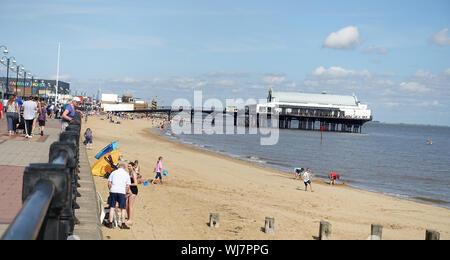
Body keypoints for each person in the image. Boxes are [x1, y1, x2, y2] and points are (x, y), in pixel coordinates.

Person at [106, 164, 131, 229]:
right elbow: (128, 186)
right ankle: (123, 224)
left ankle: (110, 223)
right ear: (124, 168)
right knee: (123, 208)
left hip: (113, 190)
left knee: (112, 207)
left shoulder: (113, 172)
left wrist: (110, 189)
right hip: (122, 192)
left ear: (118, 167)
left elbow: (109, 183)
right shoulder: (126, 174)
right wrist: (125, 193)